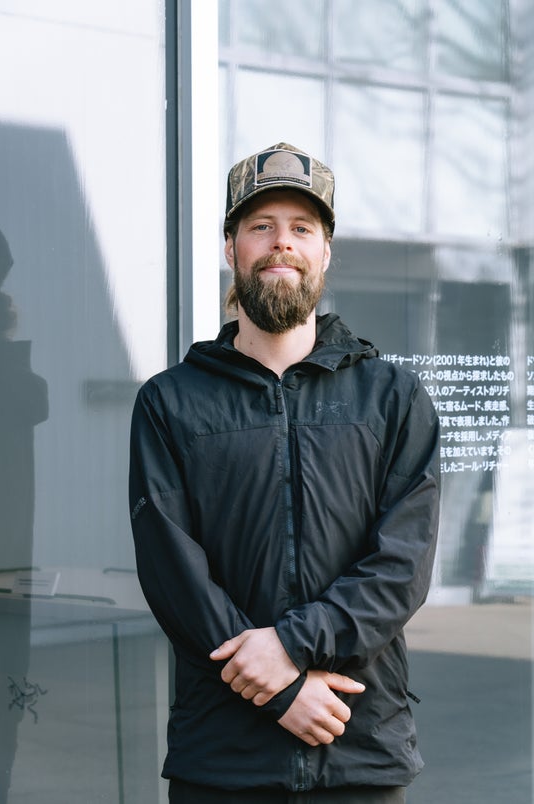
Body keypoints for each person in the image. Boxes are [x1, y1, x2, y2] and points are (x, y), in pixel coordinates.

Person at [129, 143, 440, 803]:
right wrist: (281, 689)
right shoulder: (171, 402)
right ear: (231, 247)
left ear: (325, 252)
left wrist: (292, 646)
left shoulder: (392, 397)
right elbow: (172, 572)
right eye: (261, 225)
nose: (282, 243)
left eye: (302, 227)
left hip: (356, 744)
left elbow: (403, 564)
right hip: (222, 756)